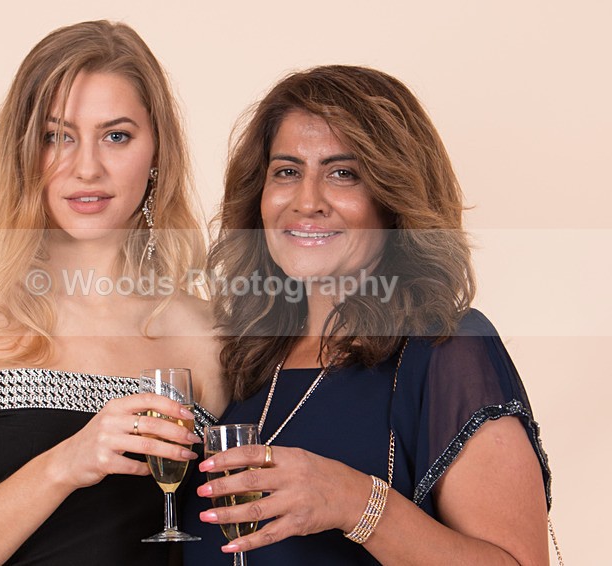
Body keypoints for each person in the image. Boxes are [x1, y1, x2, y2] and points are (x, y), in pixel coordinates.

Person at [0, 20, 226, 565]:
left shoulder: (207, 335)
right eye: (57, 136)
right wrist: (65, 464)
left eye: (116, 136)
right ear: (23, 152)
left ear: (157, 151)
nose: (86, 167)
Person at [184, 65, 552, 565]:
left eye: (343, 173)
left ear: (393, 200)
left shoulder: (447, 348)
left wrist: (355, 502)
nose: (307, 201)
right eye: (287, 171)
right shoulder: (243, 361)